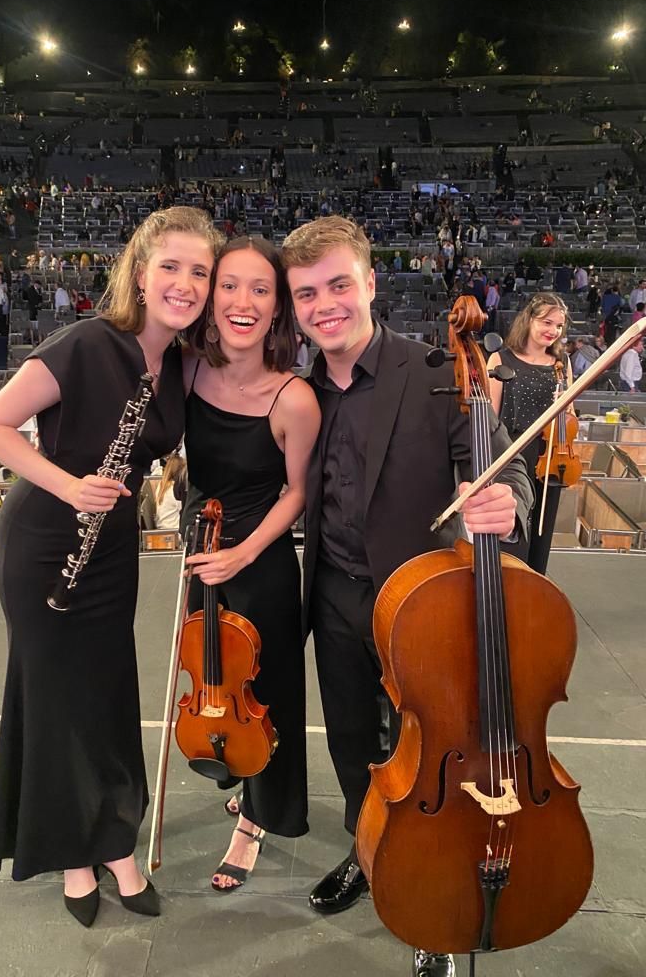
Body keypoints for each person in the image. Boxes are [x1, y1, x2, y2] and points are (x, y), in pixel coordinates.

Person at [280, 217, 533, 977]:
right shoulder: (300, 387)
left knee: (426, 753)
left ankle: (435, 899)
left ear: (370, 284)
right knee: (355, 746)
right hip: (334, 595)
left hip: (420, 605)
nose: (324, 305)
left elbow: (505, 469)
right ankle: (370, 855)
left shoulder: (435, 369)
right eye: (306, 294)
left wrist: (507, 502)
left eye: (337, 285)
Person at [0, 207, 221, 927]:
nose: (183, 282)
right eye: (169, 266)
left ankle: (117, 845)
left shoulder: (177, 363)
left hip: (110, 546)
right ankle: (72, 860)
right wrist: (68, 484)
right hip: (47, 533)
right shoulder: (85, 342)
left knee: (109, 694)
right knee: (55, 702)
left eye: (198, 271)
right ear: (140, 272)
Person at [182, 235, 321, 892]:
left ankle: (259, 819)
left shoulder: (294, 397)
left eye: (260, 290)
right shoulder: (188, 371)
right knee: (215, 687)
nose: (243, 301)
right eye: (230, 286)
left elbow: (297, 492)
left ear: (277, 310)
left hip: (258, 563)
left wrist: (242, 550)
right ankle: (239, 772)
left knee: (266, 694)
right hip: (202, 556)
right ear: (211, 300)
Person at [487, 293, 573, 576]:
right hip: (512, 454)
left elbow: (569, 412)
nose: (553, 331)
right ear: (529, 319)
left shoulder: (561, 364)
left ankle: (536, 593)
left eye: (559, 326)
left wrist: (569, 421)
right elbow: (490, 419)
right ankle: (508, 595)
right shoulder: (500, 358)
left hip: (550, 456)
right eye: (547, 322)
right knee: (514, 535)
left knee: (541, 536)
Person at [153, 451, 186, 530]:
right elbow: (184, 509)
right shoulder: (174, 489)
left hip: (162, 526)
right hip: (173, 530)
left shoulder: (162, 485)